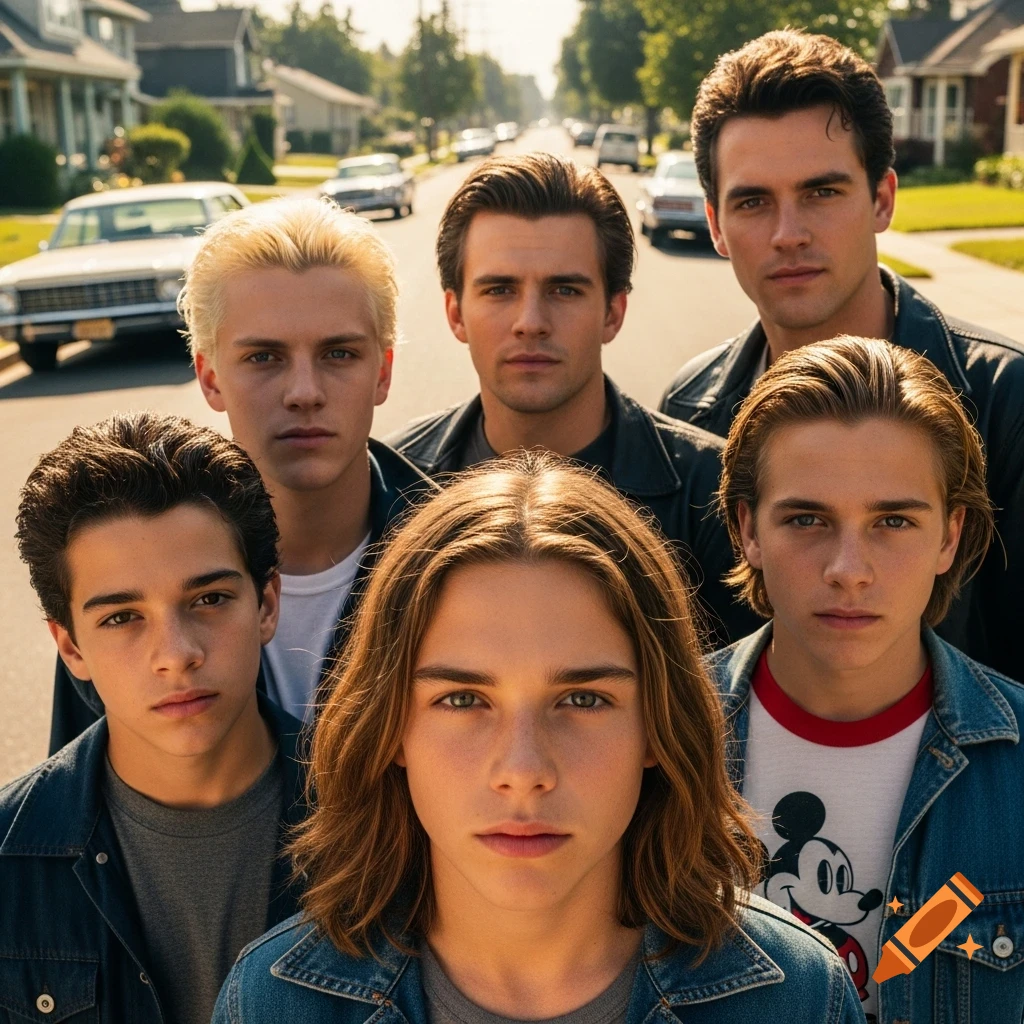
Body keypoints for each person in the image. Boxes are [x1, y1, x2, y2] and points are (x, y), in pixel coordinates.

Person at [212, 452, 864, 1024]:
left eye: (582, 699)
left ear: (658, 729)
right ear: (390, 732)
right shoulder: (275, 1001)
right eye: (463, 700)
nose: (523, 769)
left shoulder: (796, 995)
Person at [657, 29, 1024, 682]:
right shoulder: (689, 409)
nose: (788, 233)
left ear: (882, 199)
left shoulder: (1007, 400)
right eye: (752, 201)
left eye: (821, 192)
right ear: (715, 223)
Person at [707, 336, 1024, 1023]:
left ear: (950, 536)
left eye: (892, 521)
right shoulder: (653, 743)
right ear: (746, 530)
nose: (848, 568)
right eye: (807, 519)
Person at [48, 198, 437, 748]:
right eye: (264, 358)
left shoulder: (462, 554)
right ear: (209, 377)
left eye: (339, 354)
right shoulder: (124, 574)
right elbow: (79, 811)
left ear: (383, 371)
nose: (305, 392)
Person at [3, 412, 308, 1023]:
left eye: (210, 600)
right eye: (121, 617)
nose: (176, 654)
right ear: (71, 648)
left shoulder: (388, 816)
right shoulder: (9, 862)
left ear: (267, 603)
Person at [385, 153, 758, 647]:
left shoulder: (712, 495)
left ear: (613, 311)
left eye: (564, 289)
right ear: (455, 313)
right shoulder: (391, 487)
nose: (531, 321)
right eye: (499, 290)